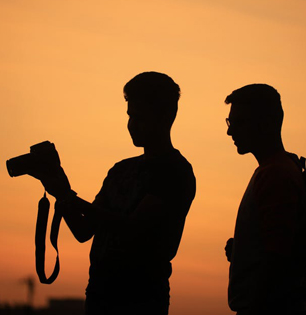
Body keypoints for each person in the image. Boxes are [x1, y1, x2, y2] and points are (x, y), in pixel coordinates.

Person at [37, 72, 196, 315]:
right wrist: (61, 192)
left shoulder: (175, 172)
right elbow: (83, 231)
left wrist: (69, 197)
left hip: (141, 299)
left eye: (140, 117)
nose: (132, 124)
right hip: (99, 295)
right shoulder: (120, 170)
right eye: (130, 116)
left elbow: (134, 228)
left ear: (166, 116)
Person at [224, 84, 306, 315]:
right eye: (230, 122)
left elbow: (277, 257)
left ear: (266, 123)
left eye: (239, 122)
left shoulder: (275, 174)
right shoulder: (278, 169)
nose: (230, 132)